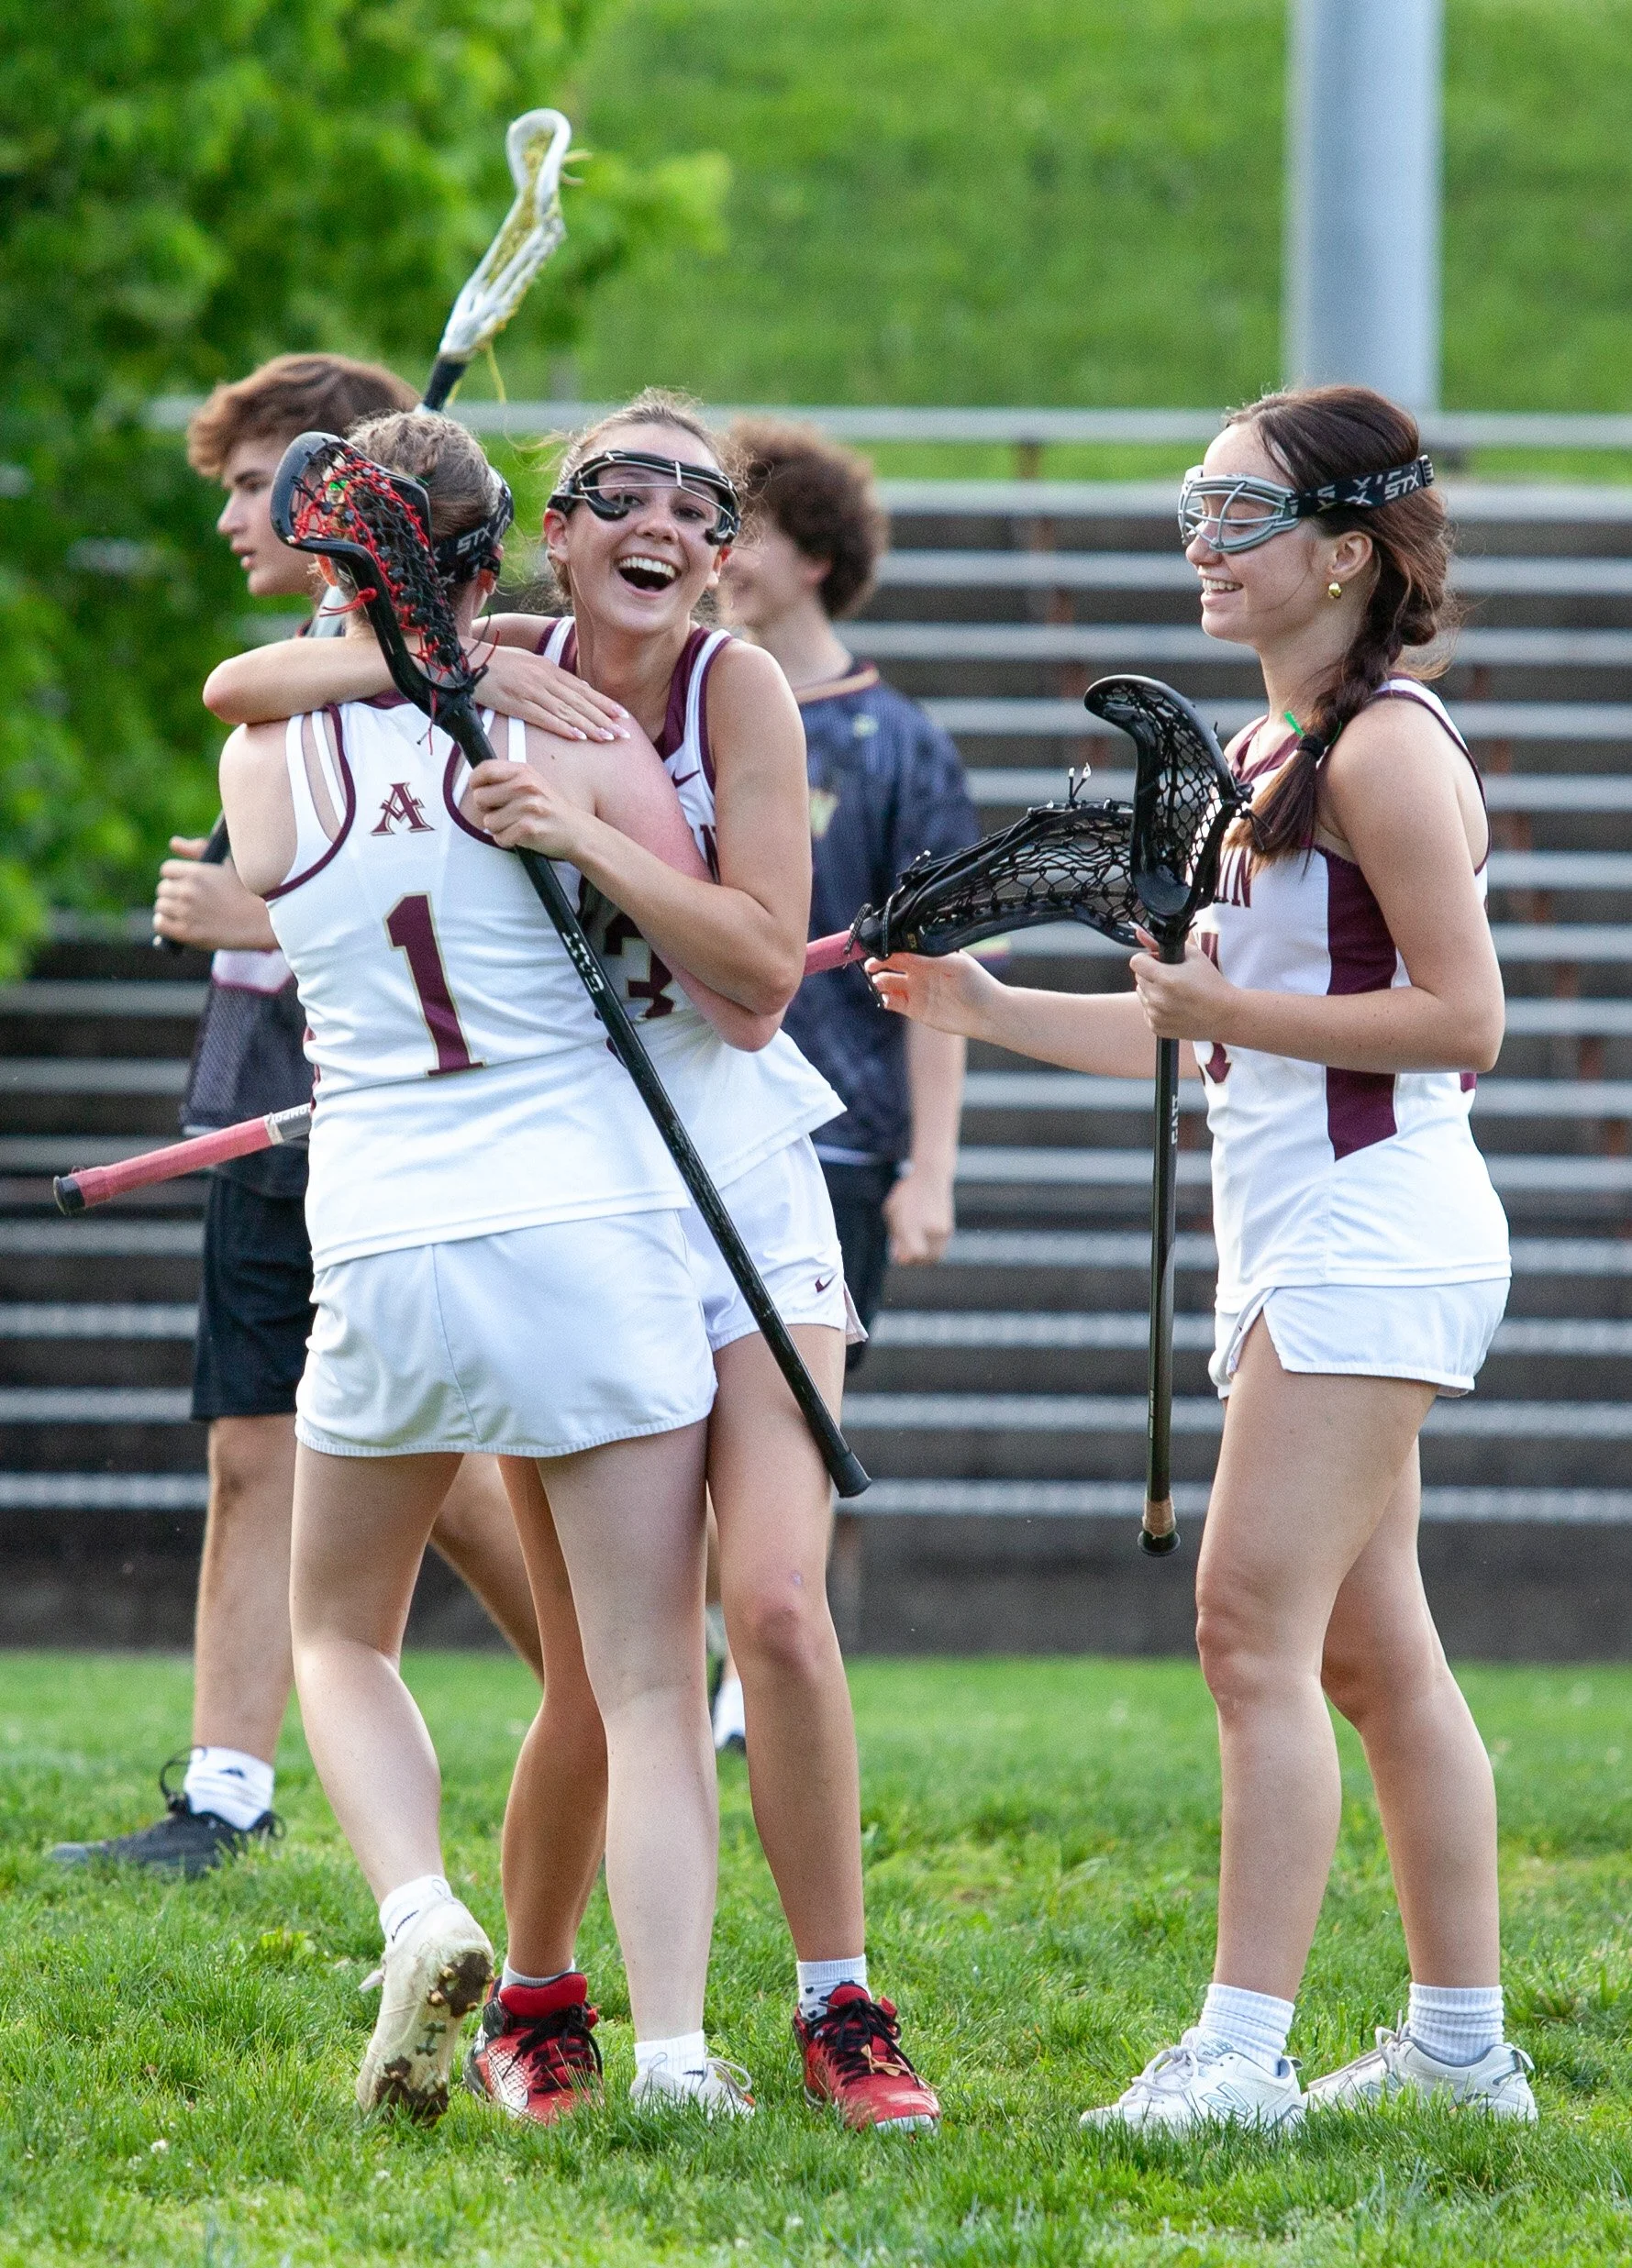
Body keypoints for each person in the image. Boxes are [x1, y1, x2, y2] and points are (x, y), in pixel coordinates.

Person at [206, 389, 941, 2133]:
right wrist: (416, 670)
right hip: (582, 1192)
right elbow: (257, 679)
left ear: (730, 545)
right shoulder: (501, 660)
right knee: (605, 1661)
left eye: (707, 502)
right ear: (548, 534)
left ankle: (834, 2003)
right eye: (629, 490)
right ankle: (541, 1996)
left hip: (724, 1171)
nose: (672, 525)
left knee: (759, 1606)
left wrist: (587, 830)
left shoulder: (724, 690)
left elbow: (758, 979)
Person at [870, 385, 1537, 2131]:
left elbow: (1462, 1018)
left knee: (1246, 1631)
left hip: (1375, 1237)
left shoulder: (1387, 745)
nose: (1200, 542)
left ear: (1341, 551)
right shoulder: (1265, 757)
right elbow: (1208, 1045)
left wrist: (1217, 998)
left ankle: (1238, 2055)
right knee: (1372, 1658)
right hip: (1310, 1240)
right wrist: (985, 1006)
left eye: (1236, 515)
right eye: (1193, 504)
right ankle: (1464, 2059)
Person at [48, 355, 572, 1879]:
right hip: (265, 1097)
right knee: (266, 1450)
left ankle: (612, 1696)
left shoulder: (458, 674)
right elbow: (251, 695)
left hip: (362, 1115)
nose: (233, 516)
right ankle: (225, 1784)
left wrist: (251, 918)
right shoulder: (312, 669)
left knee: (415, 1472)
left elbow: (403, 918)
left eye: (256, 485)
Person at [706, 417, 978, 1751]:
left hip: (839, 1141)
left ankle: (750, 1687)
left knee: (791, 1422)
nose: (715, 554)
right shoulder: (685, 709)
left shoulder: (895, 745)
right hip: (692, 1117)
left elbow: (938, 973)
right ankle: (705, 1674)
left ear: (812, 555)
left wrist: (930, 1167)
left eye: (741, 527)